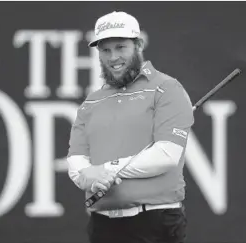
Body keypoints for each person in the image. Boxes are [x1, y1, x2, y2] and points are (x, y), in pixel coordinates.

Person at [67, 11, 194, 243]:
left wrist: (107, 169)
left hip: (154, 221)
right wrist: (89, 176)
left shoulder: (167, 89)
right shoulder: (91, 102)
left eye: (120, 47)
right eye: (105, 50)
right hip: (102, 224)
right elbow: (76, 162)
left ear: (138, 45)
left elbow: (166, 155)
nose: (113, 57)